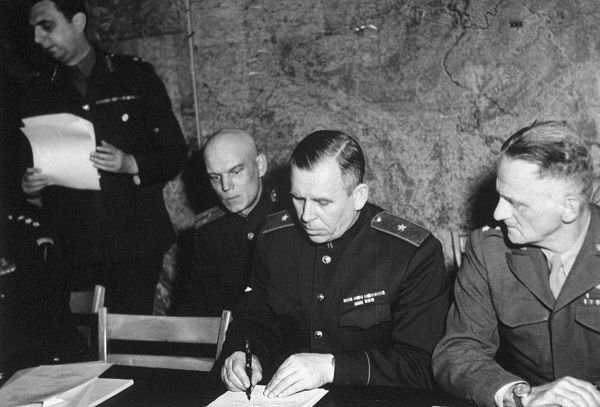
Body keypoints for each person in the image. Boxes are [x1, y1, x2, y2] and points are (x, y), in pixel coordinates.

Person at [219, 130, 449, 397]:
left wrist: (332, 368)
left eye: (322, 202)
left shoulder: (411, 254)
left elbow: (422, 366)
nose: (306, 216)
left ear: (359, 196)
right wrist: (243, 353)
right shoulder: (274, 239)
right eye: (298, 198)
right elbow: (255, 318)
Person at [19, 0, 188, 314]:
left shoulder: (134, 76)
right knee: (82, 338)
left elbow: (175, 152)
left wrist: (131, 164)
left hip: (136, 246)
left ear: (78, 21)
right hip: (74, 249)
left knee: (129, 336)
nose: (37, 38)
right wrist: (30, 189)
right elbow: (20, 168)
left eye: (47, 26)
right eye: (34, 30)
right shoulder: (36, 93)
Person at [432, 121, 600, 407]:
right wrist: (519, 394)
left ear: (569, 207)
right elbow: (457, 352)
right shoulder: (490, 251)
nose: (498, 213)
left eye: (516, 203)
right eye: (500, 196)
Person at [173, 129, 282, 316]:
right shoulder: (208, 232)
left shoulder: (294, 220)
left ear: (260, 165)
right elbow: (195, 308)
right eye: (215, 177)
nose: (226, 186)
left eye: (236, 172)